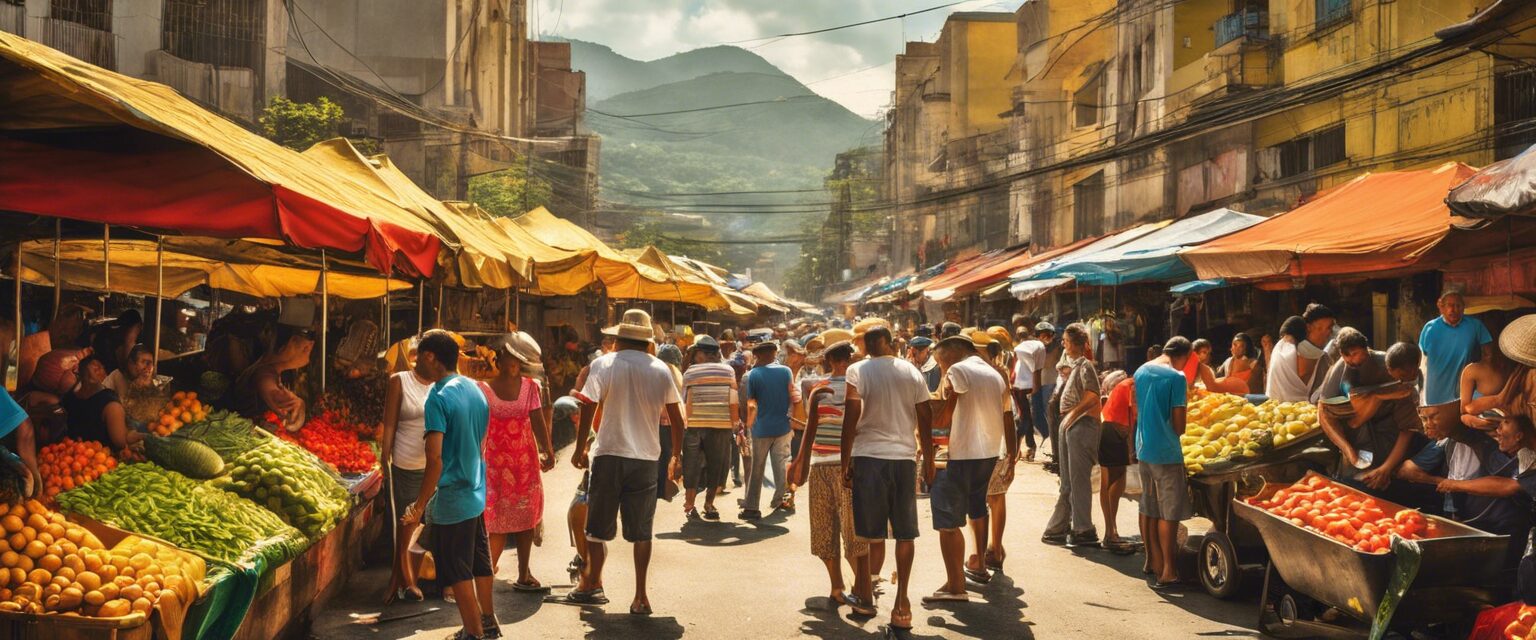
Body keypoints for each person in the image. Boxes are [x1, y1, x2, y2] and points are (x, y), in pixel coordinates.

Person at [566, 309, 685, 615]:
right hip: (645, 458)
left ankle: (593, 583)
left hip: (608, 455)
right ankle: (641, 596)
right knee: (642, 531)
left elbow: (588, 404)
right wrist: (677, 455)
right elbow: (676, 417)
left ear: (617, 338)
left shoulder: (603, 364)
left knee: (596, 529)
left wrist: (580, 448)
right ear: (647, 341)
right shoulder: (661, 369)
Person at [400, 332, 497, 640]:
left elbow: (435, 459)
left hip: (453, 497)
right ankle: (489, 620)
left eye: (418, 358)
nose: (416, 366)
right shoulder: (476, 388)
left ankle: (473, 632)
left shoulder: (437, 398)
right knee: (480, 562)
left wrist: (417, 507)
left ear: (431, 357)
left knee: (457, 571)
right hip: (476, 489)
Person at [841, 326, 933, 630]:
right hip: (904, 458)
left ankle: (865, 596)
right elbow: (926, 415)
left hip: (869, 456)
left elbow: (850, 417)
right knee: (905, 533)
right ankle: (902, 605)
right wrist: (929, 458)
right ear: (891, 344)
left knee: (867, 532)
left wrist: (845, 461)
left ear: (867, 346)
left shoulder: (858, 370)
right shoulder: (911, 371)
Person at [787, 342, 876, 617]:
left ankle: (842, 588)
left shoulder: (820, 388)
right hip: (850, 466)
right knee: (854, 533)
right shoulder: (863, 387)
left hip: (824, 465)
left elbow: (809, 431)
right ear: (849, 360)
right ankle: (862, 589)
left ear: (829, 362)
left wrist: (799, 464)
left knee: (826, 529)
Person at [924, 333, 1014, 602]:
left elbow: (944, 416)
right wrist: (1011, 454)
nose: (941, 369)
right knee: (977, 508)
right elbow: (1008, 415)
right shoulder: (994, 374)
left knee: (948, 523)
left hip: (959, 454)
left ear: (949, 356)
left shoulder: (956, 370)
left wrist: (926, 411)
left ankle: (955, 586)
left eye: (940, 363)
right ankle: (979, 564)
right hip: (987, 454)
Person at [478, 332, 555, 591]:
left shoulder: (531, 387)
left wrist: (548, 449)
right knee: (496, 519)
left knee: (526, 516)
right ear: (500, 359)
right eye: (510, 357)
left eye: (518, 360)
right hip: (495, 466)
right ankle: (486, 574)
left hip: (524, 463)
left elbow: (537, 419)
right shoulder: (483, 388)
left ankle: (524, 573)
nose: (514, 364)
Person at [1313, 329, 1422, 499]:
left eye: (1356, 353)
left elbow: (1407, 428)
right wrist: (1347, 450)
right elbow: (1324, 412)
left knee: (1389, 486)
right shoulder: (1340, 371)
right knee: (1352, 489)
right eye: (1347, 355)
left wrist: (1387, 468)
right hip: (1356, 435)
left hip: (1389, 434)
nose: (1352, 360)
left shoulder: (1395, 371)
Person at [1136, 337, 1194, 589]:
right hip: (1167, 452)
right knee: (1168, 513)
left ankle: (1152, 561)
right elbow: (1179, 426)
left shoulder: (1141, 370)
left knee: (1148, 506)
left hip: (1144, 448)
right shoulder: (1176, 378)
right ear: (1185, 355)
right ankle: (1168, 570)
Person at [381, 340, 435, 604]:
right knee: (405, 523)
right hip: (404, 465)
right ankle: (403, 580)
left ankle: (403, 579)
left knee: (422, 525)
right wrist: (384, 455)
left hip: (433, 467)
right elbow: (389, 422)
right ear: (426, 357)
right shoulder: (399, 380)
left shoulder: (442, 385)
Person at [1041, 323, 1103, 548]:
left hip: (1081, 425)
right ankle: (1060, 528)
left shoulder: (1085, 366)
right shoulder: (1075, 365)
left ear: (1075, 344)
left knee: (1077, 481)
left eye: (1066, 341)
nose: (1063, 344)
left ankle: (1082, 528)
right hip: (1071, 425)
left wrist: (1073, 413)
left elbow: (1093, 396)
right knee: (1068, 481)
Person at [680, 335, 738, 521]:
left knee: (691, 465)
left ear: (702, 354)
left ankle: (689, 505)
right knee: (716, 464)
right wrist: (735, 423)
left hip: (695, 424)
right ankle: (709, 504)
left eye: (696, 354)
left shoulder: (690, 372)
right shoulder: (728, 371)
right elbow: (733, 399)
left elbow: (684, 400)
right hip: (721, 425)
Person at [740, 340, 799, 519]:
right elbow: (793, 397)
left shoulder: (753, 375)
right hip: (783, 426)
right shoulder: (786, 371)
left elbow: (751, 403)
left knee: (757, 467)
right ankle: (780, 500)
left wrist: (747, 424)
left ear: (758, 356)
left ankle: (751, 507)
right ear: (774, 353)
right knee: (780, 464)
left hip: (761, 428)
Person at [1420, 291, 1495, 406]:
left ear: (1463, 308)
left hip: (1464, 388)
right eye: (1449, 305)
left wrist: (1481, 376)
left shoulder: (1475, 325)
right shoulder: (1430, 328)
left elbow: (1488, 353)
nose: (1453, 309)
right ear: (1441, 307)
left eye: (1457, 305)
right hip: (1435, 391)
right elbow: (1423, 357)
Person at [233, 330, 314, 430]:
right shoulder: (262, 372)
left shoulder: (275, 371)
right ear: (284, 346)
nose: (310, 344)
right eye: (303, 337)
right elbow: (267, 383)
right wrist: (283, 399)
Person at [61, 354, 143, 452]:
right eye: (95, 366)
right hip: (91, 459)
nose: (99, 369)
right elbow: (121, 442)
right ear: (80, 371)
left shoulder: (110, 403)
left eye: (102, 367)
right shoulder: (110, 404)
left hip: (86, 458)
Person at [1099, 369, 1135, 549]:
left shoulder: (1127, 385)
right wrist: (1131, 447)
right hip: (1115, 431)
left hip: (1109, 428)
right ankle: (1111, 533)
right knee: (1114, 482)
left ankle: (1110, 532)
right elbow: (1135, 413)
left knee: (1109, 483)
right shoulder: (1133, 386)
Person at [17, 304, 88, 390]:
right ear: (59, 323)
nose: (76, 334)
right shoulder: (34, 344)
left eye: (78, 329)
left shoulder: (69, 349)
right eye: (74, 328)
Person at [656, 344, 685, 500]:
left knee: (661, 457)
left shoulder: (657, 370)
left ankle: (661, 489)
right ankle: (665, 488)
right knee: (669, 456)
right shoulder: (675, 373)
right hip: (673, 422)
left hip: (659, 421)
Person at [1265, 316, 1314, 402]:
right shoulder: (1290, 349)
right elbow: (1302, 373)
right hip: (1291, 400)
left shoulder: (1278, 347)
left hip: (1274, 398)